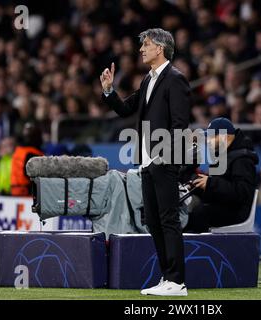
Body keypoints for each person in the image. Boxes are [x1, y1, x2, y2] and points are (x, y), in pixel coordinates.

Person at [100, 28, 190, 296]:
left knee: (168, 219)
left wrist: (165, 155)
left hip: (164, 159)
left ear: (160, 48)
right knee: (152, 220)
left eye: (146, 45)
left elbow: (180, 124)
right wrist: (109, 91)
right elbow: (127, 109)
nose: (141, 49)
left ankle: (177, 281)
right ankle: (167, 277)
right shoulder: (147, 80)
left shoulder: (175, 79)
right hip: (147, 162)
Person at [185, 117, 258, 233]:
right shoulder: (222, 155)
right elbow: (217, 190)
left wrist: (210, 183)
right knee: (187, 213)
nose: (208, 140)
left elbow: (242, 193)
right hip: (223, 205)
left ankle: (196, 249)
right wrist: (197, 186)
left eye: (211, 136)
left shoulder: (242, 159)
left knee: (199, 214)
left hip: (236, 211)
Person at [10, 123, 44, 197]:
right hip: (27, 193)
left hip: (15, 191)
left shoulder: (18, 150)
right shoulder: (33, 153)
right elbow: (31, 175)